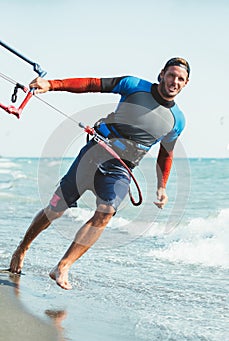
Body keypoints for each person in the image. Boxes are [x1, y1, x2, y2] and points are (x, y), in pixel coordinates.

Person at [9, 57, 190, 290]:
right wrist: (51, 85)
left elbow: (166, 154)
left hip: (122, 168)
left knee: (106, 213)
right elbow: (91, 83)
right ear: (162, 74)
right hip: (94, 154)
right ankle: (22, 248)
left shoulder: (178, 121)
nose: (174, 81)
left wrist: (161, 186)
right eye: (171, 75)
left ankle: (63, 266)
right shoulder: (133, 85)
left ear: (186, 84)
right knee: (56, 208)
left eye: (180, 79)